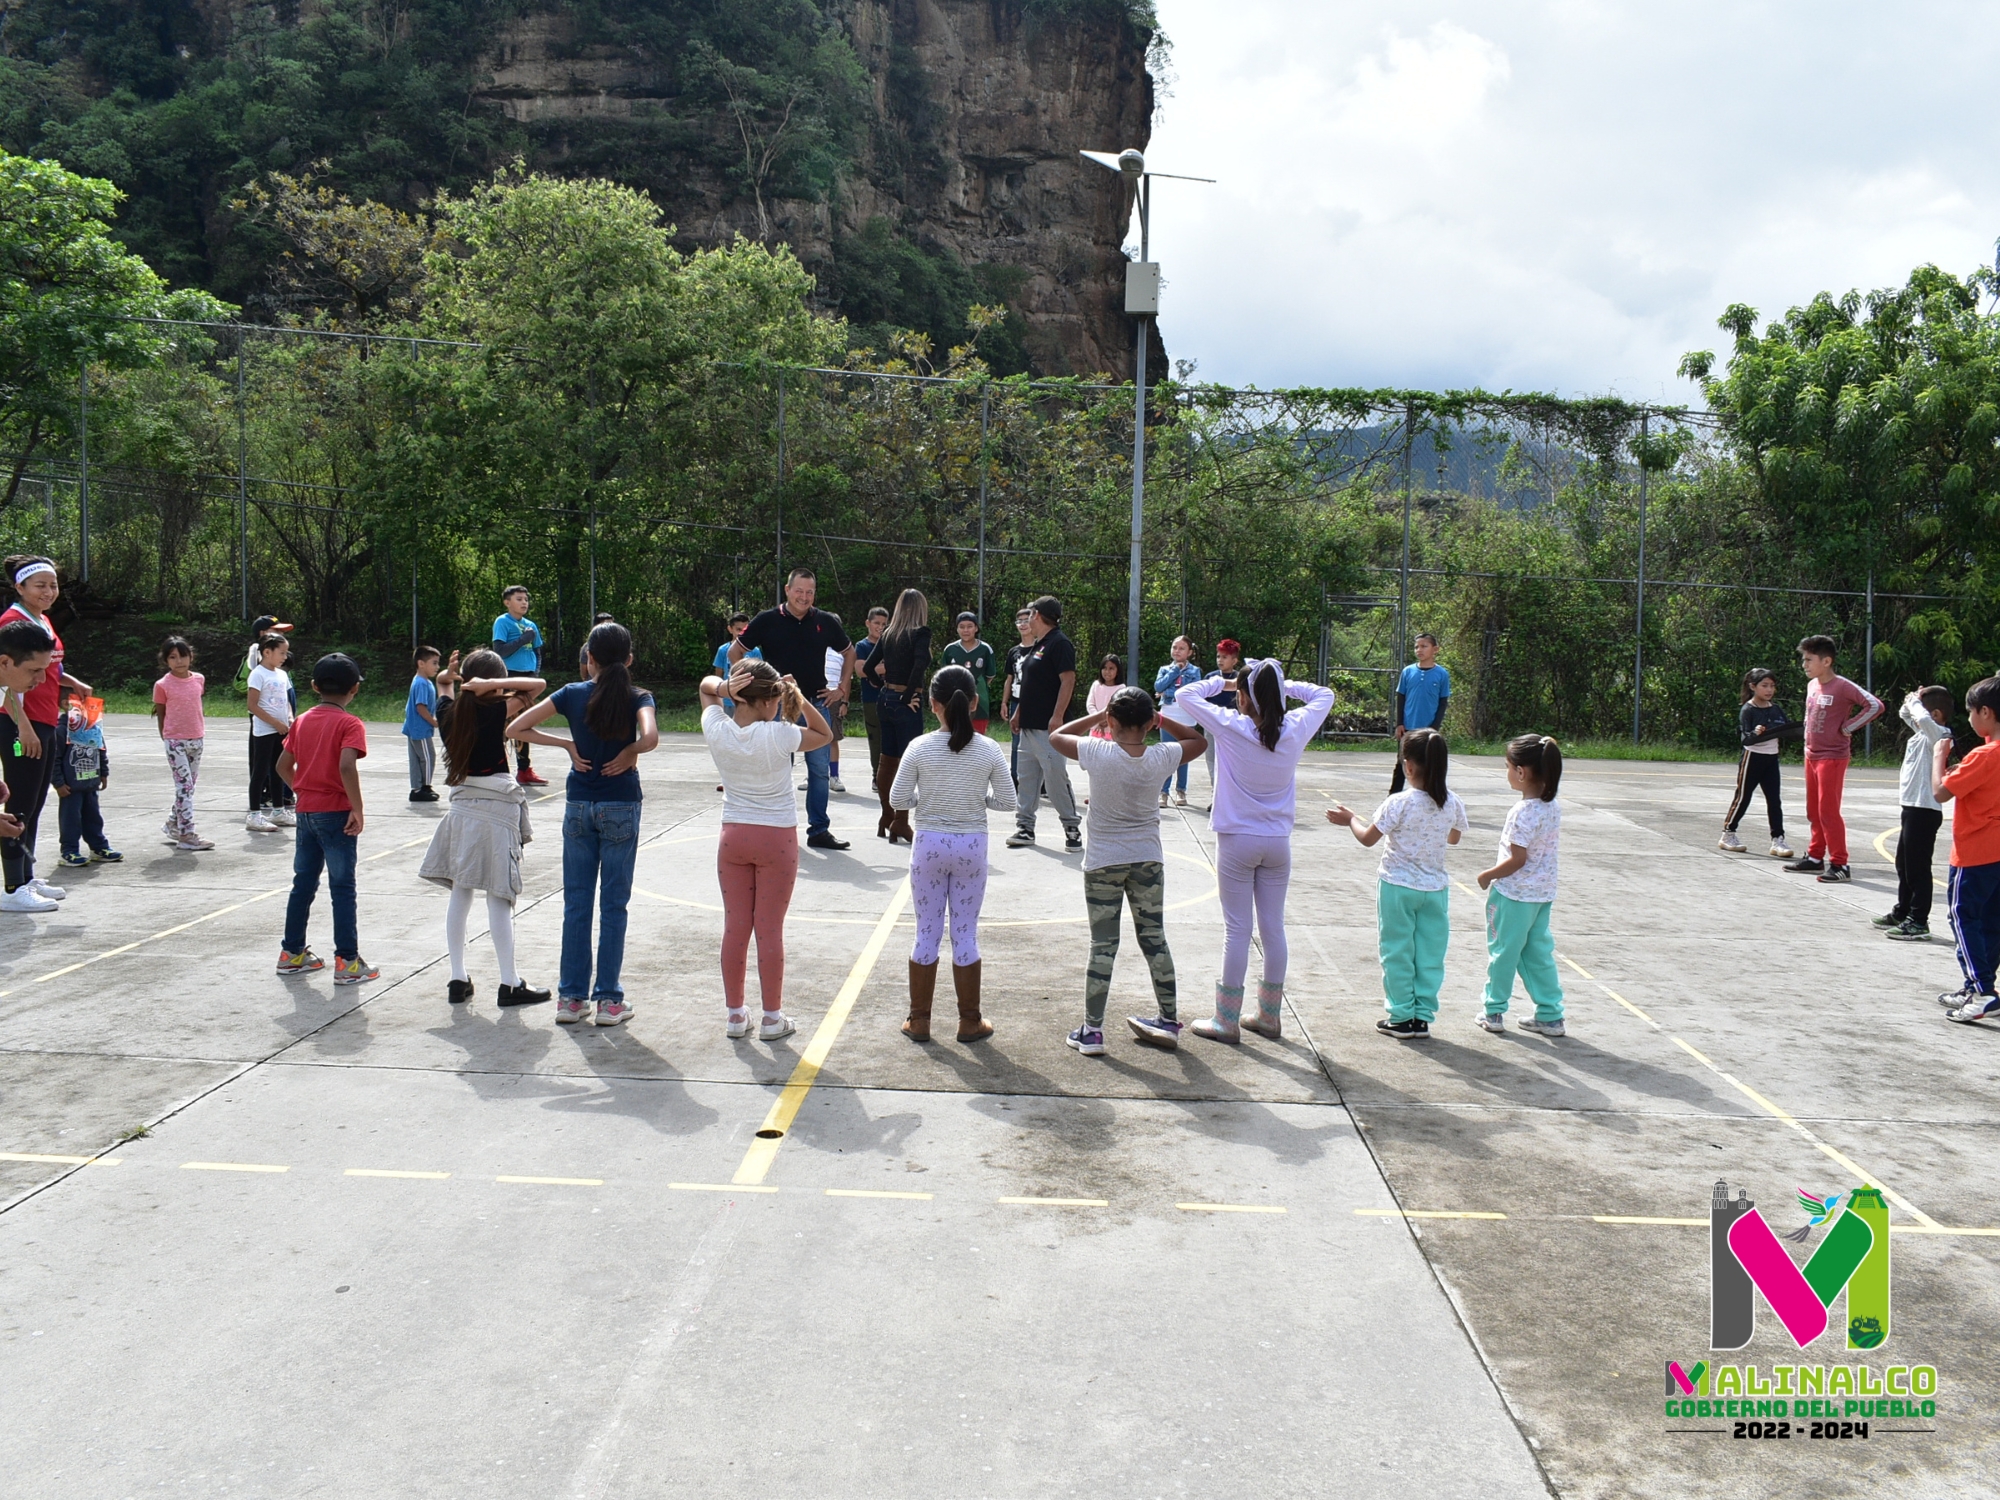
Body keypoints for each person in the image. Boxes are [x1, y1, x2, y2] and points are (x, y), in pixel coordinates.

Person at [1176, 659, 1337, 1041]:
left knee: (1237, 929)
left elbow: (1185, 693)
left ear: (1245, 698)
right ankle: (1269, 1016)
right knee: (1272, 927)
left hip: (1236, 840)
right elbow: (1324, 693)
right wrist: (1278, 685)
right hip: (1277, 843)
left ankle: (1226, 1020)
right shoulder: (1295, 728)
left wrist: (1227, 683)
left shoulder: (1232, 726)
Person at [510, 621, 658, 1026]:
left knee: (576, 904)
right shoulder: (638, 696)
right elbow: (651, 736)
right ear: (628, 660)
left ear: (589, 658)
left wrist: (565, 744)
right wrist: (629, 751)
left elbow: (515, 727)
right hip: (621, 804)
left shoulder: (572, 694)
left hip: (579, 805)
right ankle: (609, 1000)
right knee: (614, 905)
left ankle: (571, 999)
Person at [1049, 687, 1205, 1055]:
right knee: (1154, 938)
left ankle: (1093, 1030)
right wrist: (1161, 719)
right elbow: (1198, 741)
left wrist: (1096, 717)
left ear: (1112, 723)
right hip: (1147, 859)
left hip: (1103, 861)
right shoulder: (1161, 756)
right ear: (1150, 723)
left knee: (1103, 944)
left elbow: (1057, 735)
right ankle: (1168, 1019)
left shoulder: (1097, 751)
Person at [701, 659, 832, 1040]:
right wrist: (801, 698)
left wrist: (725, 688)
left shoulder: (718, 729)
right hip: (776, 837)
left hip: (733, 837)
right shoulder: (780, 735)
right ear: (768, 700)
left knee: (735, 926)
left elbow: (706, 689)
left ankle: (735, 1015)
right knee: (769, 929)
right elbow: (823, 734)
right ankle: (772, 1017)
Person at [888, 663, 1015, 1043]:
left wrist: (925, 798)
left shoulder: (919, 747)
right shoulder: (989, 749)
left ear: (932, 704)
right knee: (965, 933)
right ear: (975, 702)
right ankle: (969, 1020)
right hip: (971, 845)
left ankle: (920, 1019)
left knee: (926, 931)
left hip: (928, 843)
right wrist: (977, 798)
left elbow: (897, 799)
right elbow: (1008, 801)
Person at [418, 649, 550, 1007]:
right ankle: (509, 982)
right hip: (495, 808)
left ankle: (457, 978)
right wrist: (493, 683)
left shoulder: (448, 712)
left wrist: (452, 675)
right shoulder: (497, 710)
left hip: (462, 807)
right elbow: (538, 684)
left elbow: (443, 683)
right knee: (499, 896)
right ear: (492, 683)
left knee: (461, 893)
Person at [1328, 728, 1467, 1040]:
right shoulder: (1452, 802)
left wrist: (1350, 818)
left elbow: (1367, 839)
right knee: (1430, 954)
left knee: (1397, 951)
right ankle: (1422, 1017)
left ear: (1409, 766)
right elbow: (1454, 837)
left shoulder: (1398, 802)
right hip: (1435, 889)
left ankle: (1401, 1016)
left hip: (1397, 886)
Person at [273, 653, 379, 985]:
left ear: (315, 686)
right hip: (335, 814)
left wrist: (303, 791)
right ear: (355, 690)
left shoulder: (302, 720)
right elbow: (347, 766)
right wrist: (357, 808)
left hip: (305, 812)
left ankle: (292, 954)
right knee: (342, 887)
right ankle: (347, 961)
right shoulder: (350, 724)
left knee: (303, 883)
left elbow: (282, 766)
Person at [731, 567, 855, 849]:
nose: (804, 597)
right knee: (776, 766)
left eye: (810, 592)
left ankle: (819, 831)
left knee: (820, 769)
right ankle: (775, 826)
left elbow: (849, 652)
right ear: (787, 590)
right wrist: (747, 689)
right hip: (773, 706)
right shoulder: (767, 620)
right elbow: (735, 652)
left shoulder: (825, 621)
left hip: (815, 703)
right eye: (799, 590)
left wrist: (842, 688)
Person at [0, 555, 92, 911]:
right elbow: (6, 684)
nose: (48, 591)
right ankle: (12, 886)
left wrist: (70, 682)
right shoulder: (11, 624)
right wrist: (23, 725)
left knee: (35, 800)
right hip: (20, 723)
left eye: (52, 585)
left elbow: (50, 668)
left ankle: (26, 873)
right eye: (39, 585)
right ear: (19, 588)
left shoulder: (41, 621)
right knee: (20, 800)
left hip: (42, 717)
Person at [1473, 735, 1565, 1037]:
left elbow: (1517, 859)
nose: (1507, 772)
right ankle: (1551, 1015)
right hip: (1541, 896)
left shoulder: (1522, 812)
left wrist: (1489, 874)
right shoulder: (1551, 806)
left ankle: (1493, 1011)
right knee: (1537, 953)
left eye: (1508, 767)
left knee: (1503, 952)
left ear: (1521, 773)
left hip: (1513, 895)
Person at [1785, 634, 1883, 883]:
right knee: (1814, 810)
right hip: (1811, 755)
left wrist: (1848, 727)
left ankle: (1840, 864)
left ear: (1826, 661)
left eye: (1809, 660)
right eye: (1803, 660)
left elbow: (1874, 705)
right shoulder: (1812, 686)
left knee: (1828, 811)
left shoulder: (1842, 686)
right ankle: (1816, 856)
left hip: (1832, 756)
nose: (1804, 665)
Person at [1938, 677, 2000, 1022]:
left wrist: (1939, 758)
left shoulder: (1984, 754)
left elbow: (1941, 791)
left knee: (1963, 917)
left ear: (1986, 712)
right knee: (1992, 920)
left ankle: (1983, 991)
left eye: (1972, 712)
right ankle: (1975, 984)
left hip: (1976, 850)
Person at [1875, 687, 1954, 942]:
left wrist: (1915, 702)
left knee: (1918, 868)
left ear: (1936, 714)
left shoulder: (1940, 735)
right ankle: (1903, 911)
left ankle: (1919, 920)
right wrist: (1913, 699)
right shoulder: (1922, 734)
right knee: (1904, 864)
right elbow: (1906, 714)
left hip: (1925, 809)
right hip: (1911, 807)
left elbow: (1920, 718)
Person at [1006, 596, 1082, 852]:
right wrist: (1019, 713)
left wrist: (1058, 716)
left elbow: (1068, 681)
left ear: (1037, 614)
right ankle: (1025, 827)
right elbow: (1031, 685)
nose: (1027, 618)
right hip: (1028, 726)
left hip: (1049, 730)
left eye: (1030, 614)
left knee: (1055, 779)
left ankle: (1072, 827)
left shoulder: (1059, 643)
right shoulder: (1038, 645)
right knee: (1026, 779)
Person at [866, 588, 932, 845]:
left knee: (887, 760)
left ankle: (887, 815)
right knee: (907, 764)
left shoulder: (889, 633)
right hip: (906, 702)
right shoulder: (920, 633)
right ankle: (901, 821)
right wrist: (907, 696)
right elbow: (920, 664)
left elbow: (870, 666)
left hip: (885, 698)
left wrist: (878, 684)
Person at [1719, 667, 1796, 857]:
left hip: (1772, 759)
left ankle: (1778, 839)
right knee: (1743, 797)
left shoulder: (1776, 708)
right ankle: (1728, 834)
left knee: (1774, 800)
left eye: (1772, 686)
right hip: (1752, 758)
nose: (1769, 690)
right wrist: (1755, 733)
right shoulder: (1748, 709)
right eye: (1764, 686)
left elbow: (1786, 730)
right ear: (1753, 686)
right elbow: (1746, 739)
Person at [154, 635, 211, 851]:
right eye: (173, 657)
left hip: (196, 738)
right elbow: (161, 713)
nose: (179, 661)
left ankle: (173, 822)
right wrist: (167, 736)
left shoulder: (198, 679)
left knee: (188, 787)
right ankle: (187, 833)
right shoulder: (162, 685)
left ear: (191, 656)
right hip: (175, 741)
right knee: (184, 786)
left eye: (183, 656)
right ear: (166, 660)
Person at [54, 688, 119, 867]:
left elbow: (100, 750)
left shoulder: (92, 727)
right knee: (71, 819)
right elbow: (54, 758)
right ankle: (69, 850)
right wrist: (58, 783)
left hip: (90, 782)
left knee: (93, 817)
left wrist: (103, 772)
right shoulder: (61, 730)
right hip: (71, 787)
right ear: (66, 704)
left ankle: (98, 847)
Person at [490, 585, 546, 786]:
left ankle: (524, 770)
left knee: (524, 724)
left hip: (527, 679)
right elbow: (500, 651)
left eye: (526, 599)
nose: (524, 603)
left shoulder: (531, 625)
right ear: (507, 602)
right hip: (510, 678)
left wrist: (534, 676)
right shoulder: (502, 622)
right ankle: (493, 763)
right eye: (519, 599)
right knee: (504, 723)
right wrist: (524, 639)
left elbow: (537, 652)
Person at [245, 632, 295, 833]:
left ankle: (278, 811)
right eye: (281, 652)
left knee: (278, 770)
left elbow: (287, 702)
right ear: (267, 652)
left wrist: (289, 720)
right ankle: (254, 815)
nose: (285, 656)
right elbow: (252, 706)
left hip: (282, 730)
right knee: (260, 771)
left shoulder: (282, 674)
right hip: (265, 731)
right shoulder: (258, 674)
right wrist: (275, 722)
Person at [1389, 632, 1450, 794]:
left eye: (1424, 646)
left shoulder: (1442, 674)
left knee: (1430, 762)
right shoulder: (1408, 672)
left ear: (1435, 649)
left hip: (1428, 729)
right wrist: (1399, 723)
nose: (1419, 650)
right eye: (1417, 647)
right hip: (1408, 727)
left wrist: (1434, 727)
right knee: (1402, 762)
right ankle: (1392, 797)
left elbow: (1443, 702)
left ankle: (1434, 794)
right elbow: (1401, 698)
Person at [1154, 635, 1204, 807]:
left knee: (1184, 756)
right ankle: (1163, 792)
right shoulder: (1164, 669)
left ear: (1189, 652)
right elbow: (1158, 686)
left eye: (1182, 648)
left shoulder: (1195, 671)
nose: (1177, 651)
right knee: (1167, 755)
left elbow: (1193, 692)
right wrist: (1175, 672)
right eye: (1175, 647)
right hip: (1167, 716)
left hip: (1187, 718)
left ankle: (1181, 790)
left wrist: (1168, 693)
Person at [1200, 639, 1244, 798]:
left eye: (1225, 657)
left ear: (1234, 660)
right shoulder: (1210, 677)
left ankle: (1232, 796)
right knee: (1212, 760)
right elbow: (1202, 700)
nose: (1220, 660)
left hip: (1233, 725)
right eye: (1218, 656)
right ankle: (1216, 795)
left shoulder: (1240, 678)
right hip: (1212, 725)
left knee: (1232, 762)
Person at [941, 612, 997, 735]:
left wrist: (975, 688)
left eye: (969, 626)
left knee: (978, 737)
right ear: (957, 629)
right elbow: (944, 677)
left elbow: (989, 676)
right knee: (953, 736)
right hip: (953, 700)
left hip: (979, 702)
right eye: (962, 626)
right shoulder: (950, 650)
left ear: (976, 628)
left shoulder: (985, 649)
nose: (965, 630)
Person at [405, 646, 444, 803]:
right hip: (420, 729)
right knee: (428, 757)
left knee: (416, 758)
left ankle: (416, 788)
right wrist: (433, 721)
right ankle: (425, 787)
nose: (437, 667)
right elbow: (420, 706)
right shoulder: (422, 683)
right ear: (421, 663)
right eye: (434, 663)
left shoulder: (421, 681)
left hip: (413, 727)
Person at [1001, 607, 1034, 787]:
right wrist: (1004, 702)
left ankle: (1040, 781)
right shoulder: (1013, 651)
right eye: (1019, 621)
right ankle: (1015, 779)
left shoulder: (1041, 648)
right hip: (1015, 701)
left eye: (1026, 620)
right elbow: (1009, 678)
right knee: (1016, 742)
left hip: (1036, 702)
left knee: (1037, 741)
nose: (1023, 624)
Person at [854, 606, 888, 778]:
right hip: (871, 698)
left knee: (890, 737)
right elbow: (861, 671)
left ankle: (891, 774)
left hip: (891, 697)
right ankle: (877, 774)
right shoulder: (862, 646)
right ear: (868, 623)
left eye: (883, 623)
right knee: (876, 737)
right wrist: (885, 667)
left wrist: (874, 668)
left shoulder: (890, 644)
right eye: (876, 623)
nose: (880, 627)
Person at [822, 614, 850, 794]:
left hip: (834, 699)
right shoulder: (813, 649)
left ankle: (834, 776)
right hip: (816, 697)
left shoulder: (843, 654)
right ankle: (814, 774)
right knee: (814, 738)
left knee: (832, 739)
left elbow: (846, 680)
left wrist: (844, 701)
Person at [713, 612, 760, 713]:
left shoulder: (755, 650)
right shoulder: (723, 650)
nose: (741, 633)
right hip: (727, 699)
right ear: (730, 629)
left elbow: (759, 674)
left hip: (748, 698)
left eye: (744, 630)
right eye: (738, 629)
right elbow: (718, 675)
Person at [1085, 655, 1123, 738]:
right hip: (1096, 728)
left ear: (1118, 671)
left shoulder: (1121, 688)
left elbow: (1118, 708)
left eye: (1111, 668)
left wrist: (1107, 720)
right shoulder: (1096, 685)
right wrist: (1098, 719)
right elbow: (1090, 704)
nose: (1107, 671)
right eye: (1104, 668)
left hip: (1112, 730)